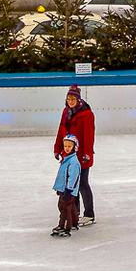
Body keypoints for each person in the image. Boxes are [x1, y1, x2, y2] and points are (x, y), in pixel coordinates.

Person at [52, 85, 96, 225]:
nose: (70, 101)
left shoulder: (86, 114)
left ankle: (89, 214)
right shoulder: (66, 112)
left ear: (78, 99)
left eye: (73, 99)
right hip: (69, 154)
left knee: (82, 183)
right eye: (68, 99)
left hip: (82, 155)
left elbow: (89, 136)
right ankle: (74, 212)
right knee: (71, 183)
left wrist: (87, 153)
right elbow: (61, 131)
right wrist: (57, 148)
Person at [52, 134, 81, 237]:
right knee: (71, 206)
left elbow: (73, 177)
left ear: (74, 147)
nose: (67, 148)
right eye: (65, 146)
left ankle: (64, 227)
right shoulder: (67, 158)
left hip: (68, 190)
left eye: (69, 146)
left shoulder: (73, 162)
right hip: (64, 188)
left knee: (64, 207)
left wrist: (68, 190)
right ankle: (73, 222)